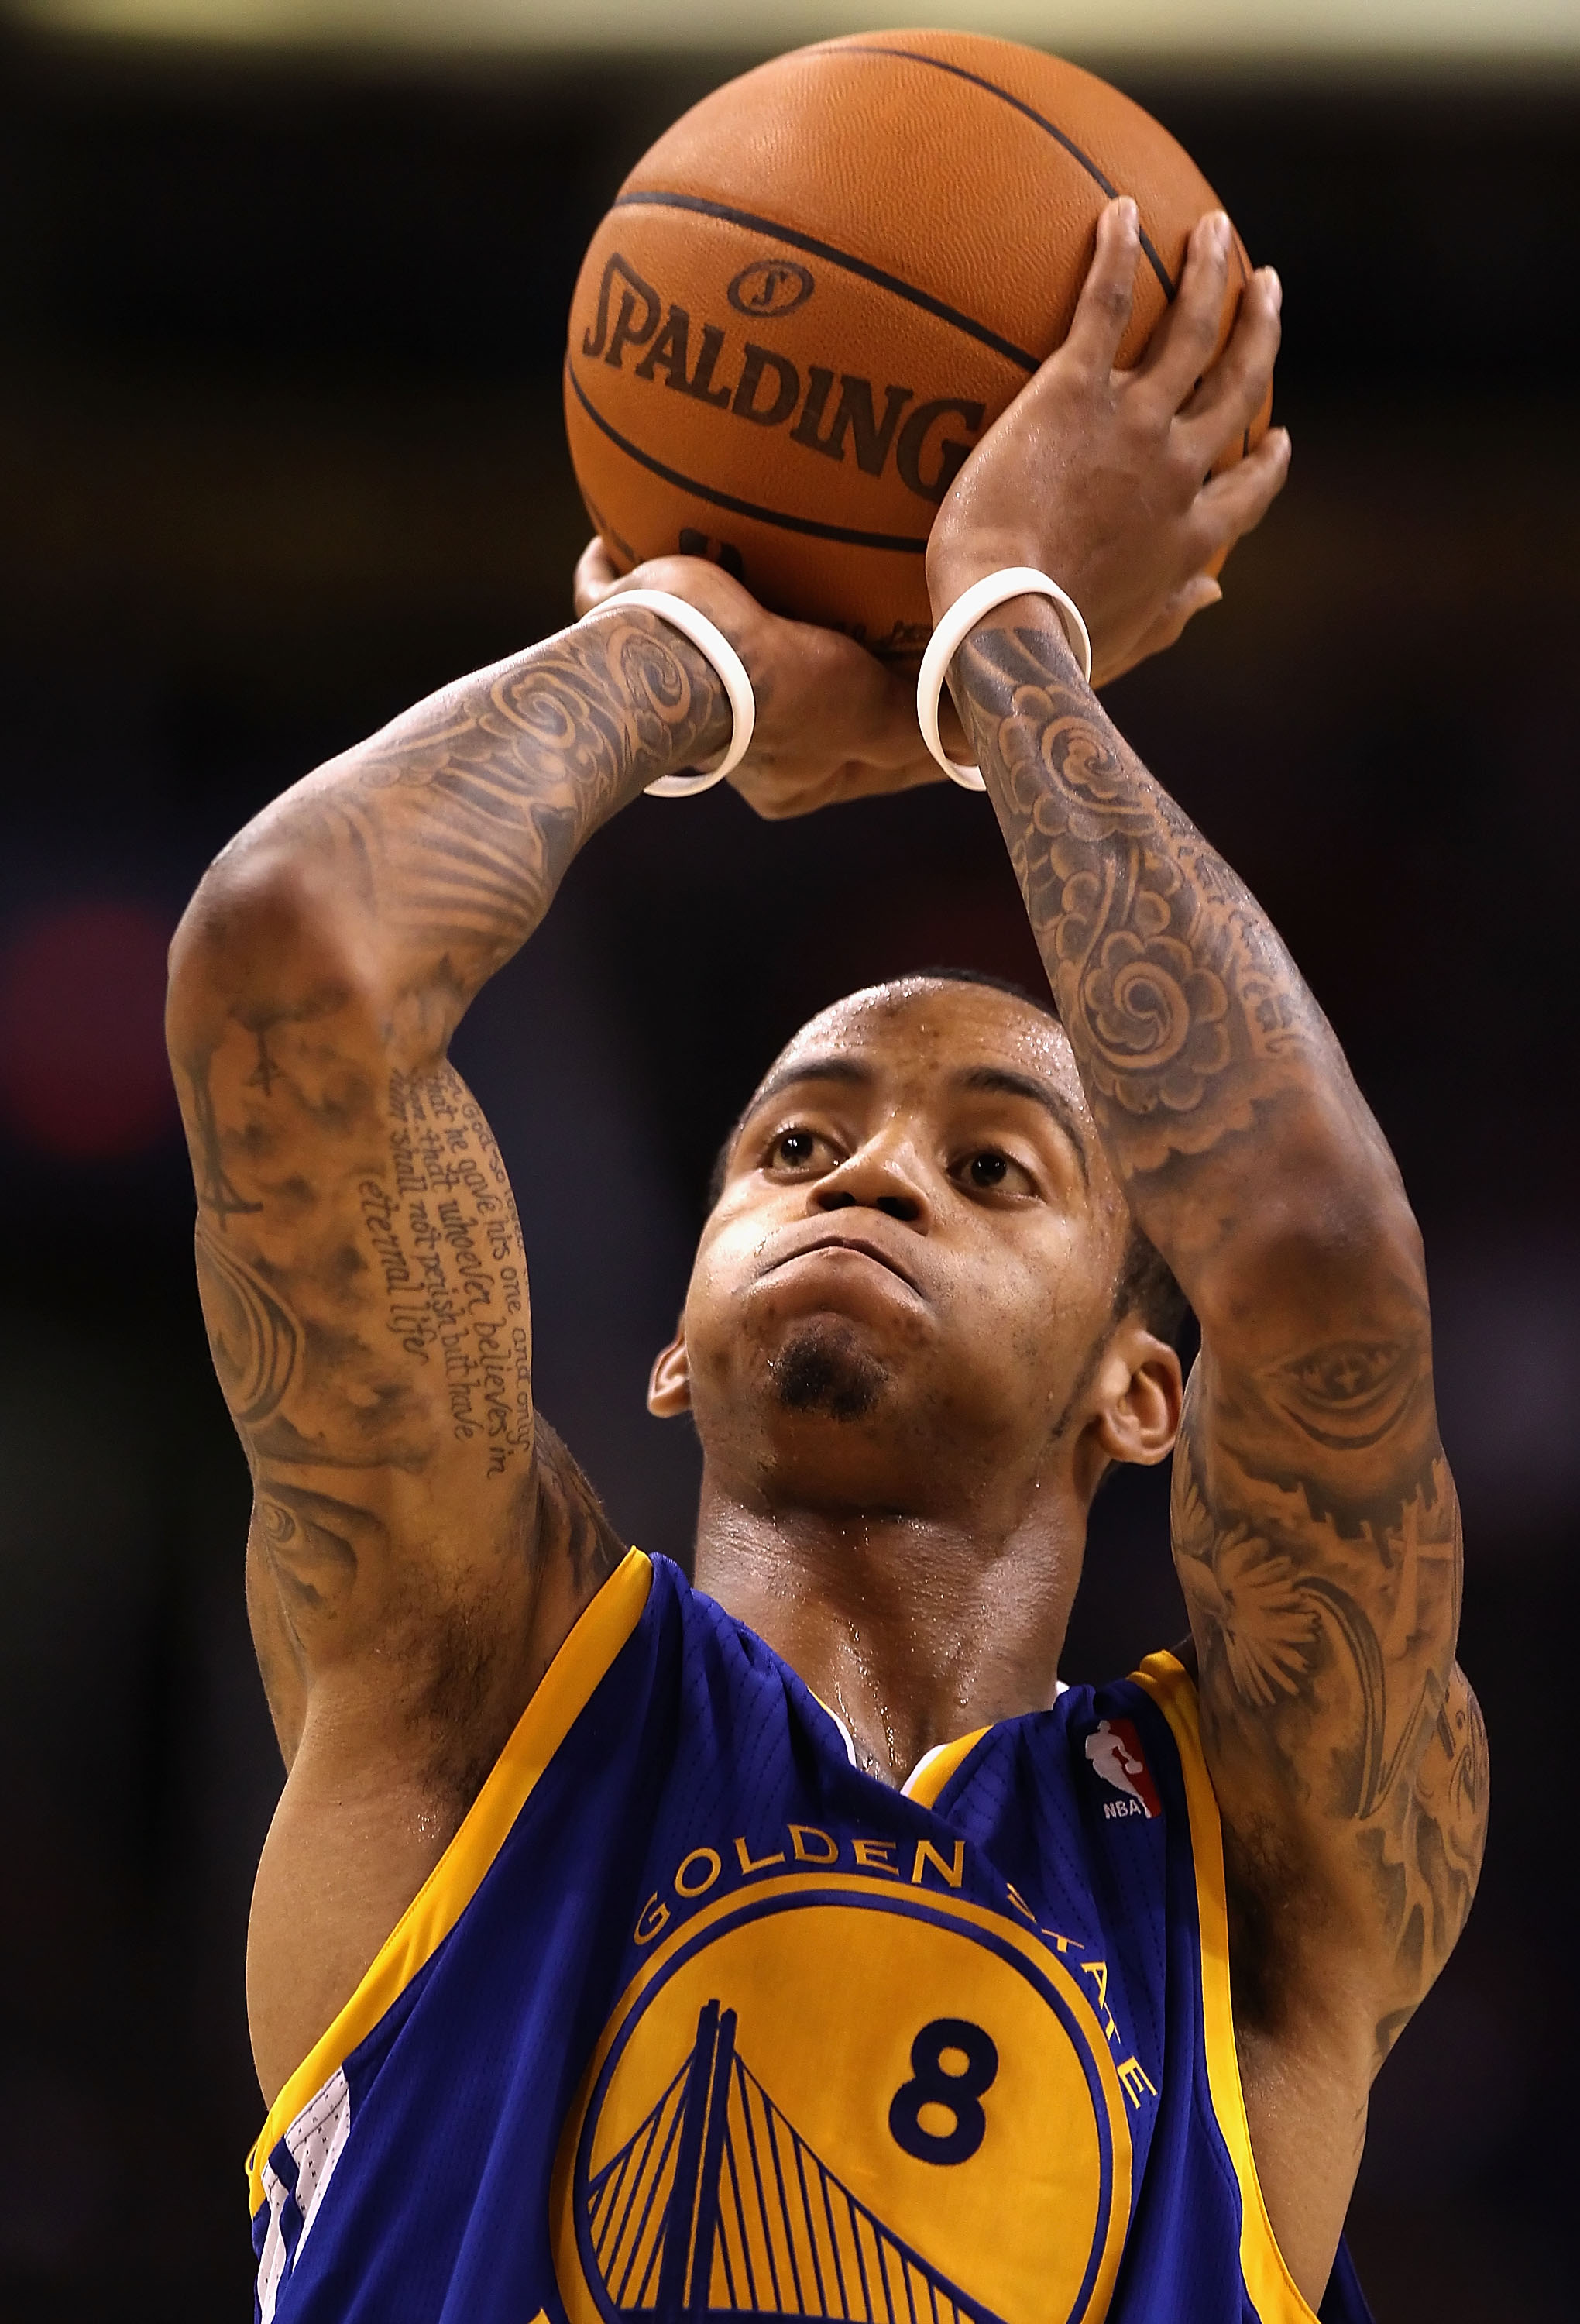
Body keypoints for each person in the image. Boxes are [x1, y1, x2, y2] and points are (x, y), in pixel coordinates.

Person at [167, 199, 1485, 2324]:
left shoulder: (1254, 1864)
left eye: (997, 1166)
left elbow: (1319, 1257)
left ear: (1145, 1390)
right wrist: (681, 648)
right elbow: (286, 962)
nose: (871, 1177)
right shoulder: (477, 1691)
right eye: (796, 1144)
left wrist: (1011, 649)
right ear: (675, 1340)